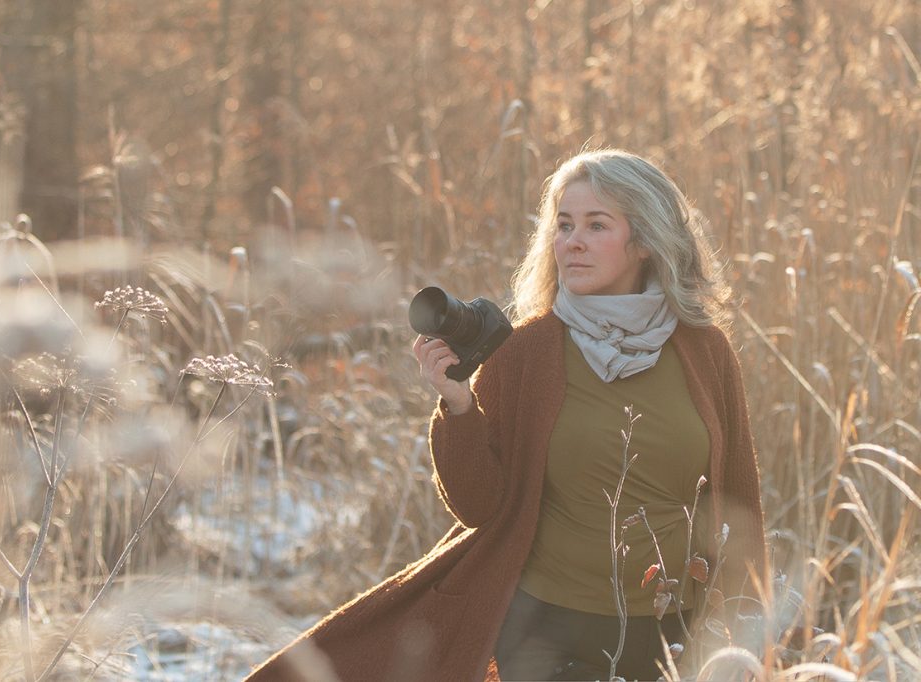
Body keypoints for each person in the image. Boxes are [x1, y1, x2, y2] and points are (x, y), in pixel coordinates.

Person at [245, 149, 765, 682]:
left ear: (647, 242)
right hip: (547, 630)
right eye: (563, 225)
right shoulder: (526, 352)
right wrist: (458, 404)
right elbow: (480, 507)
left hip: (673, 628)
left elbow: (739, 499)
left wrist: (747, 621)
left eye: (596, 225)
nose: (572, 241)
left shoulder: (704, 352)